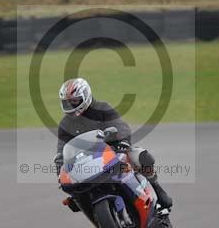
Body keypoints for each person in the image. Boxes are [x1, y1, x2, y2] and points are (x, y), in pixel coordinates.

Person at [54, 77, 173, 210]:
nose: (70, 105)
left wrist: (123, 141)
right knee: (74, 197)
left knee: (140, 156)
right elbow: (61, 151)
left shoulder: (102, 108)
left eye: (74, 101)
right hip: (86, 163)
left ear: (85, 96)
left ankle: (156, 188)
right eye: (67, 102)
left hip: (113, 151)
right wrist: (60, 171)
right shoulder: (65, 124)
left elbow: (121, 126)